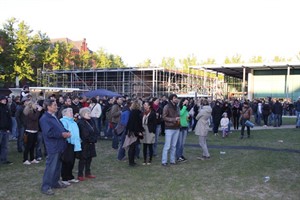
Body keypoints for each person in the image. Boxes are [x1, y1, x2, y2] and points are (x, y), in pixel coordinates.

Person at [39, 99, 71, 196]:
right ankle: (46, 187)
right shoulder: (44, 119)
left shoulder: (54, 117)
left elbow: (60, 127)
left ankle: (55, 182)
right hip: (53, 146)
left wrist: (66, 132)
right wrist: (62, 134)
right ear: (48, 107)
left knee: (57, 166)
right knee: (51, 166)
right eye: (54, 105)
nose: (56, 106)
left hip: (60, 144)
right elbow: (48, 133)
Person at [60, 108, 81, 185]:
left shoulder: (73, 122)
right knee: (66, 161)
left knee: (72, 161)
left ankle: (70, 177)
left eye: (72, 111)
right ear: (65, 113)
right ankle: (64, 178)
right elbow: (64, 132)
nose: (72, 113)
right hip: (68, 144)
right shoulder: (63, 121)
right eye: (70, 111)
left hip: (75, 144)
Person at [77, 107, 97, 181]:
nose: (89, 114)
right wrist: (91, 139)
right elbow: (84, 134)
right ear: (83, 114)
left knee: (89, 158)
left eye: (89, 113)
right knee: (83, 159)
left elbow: (95, 130)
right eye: (87, 113)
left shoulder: (91, 121)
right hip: (84, 143)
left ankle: (88, 173)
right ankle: (80, 174)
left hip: (91, 143)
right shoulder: (80, 122)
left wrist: (94, 139)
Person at [161, 94, 180, 166]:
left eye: (176, 98)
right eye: (175, 98)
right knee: (167, 145)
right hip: (169, 128)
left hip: (176, 127)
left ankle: (172, 160)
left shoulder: (177, 107)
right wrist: (173, 119)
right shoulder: (167, 107)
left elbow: (178, 115)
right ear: (171, 99)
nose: (176, 99)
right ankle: (164, 161)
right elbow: (164, 117)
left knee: (173, 145)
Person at [123, 100, 143, 167]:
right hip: (133, 132)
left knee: (132, 147)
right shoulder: (136, 113)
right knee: (132, 147)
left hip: (131, 131)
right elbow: (136, 124)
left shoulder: (133, 112)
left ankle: (132, 161)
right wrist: (138, 132)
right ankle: (131, 162)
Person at [22, 101, 42, 165]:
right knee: (28, 146)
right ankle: (25, 159)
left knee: (33, 146)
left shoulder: (34, 111)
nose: (36, 105)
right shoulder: (29, 112)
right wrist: (38, 111)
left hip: (34, 130)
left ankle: (32, 158)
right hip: (29, 131)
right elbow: (34, 118)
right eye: (35, 104)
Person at [140, 101, 156, 165]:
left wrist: (153, 131)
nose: (144, 106)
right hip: (144, 130)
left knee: (150, 145)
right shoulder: (142, 113)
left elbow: (155, 123)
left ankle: (150, 159)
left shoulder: (152, 113)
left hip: (150, 130)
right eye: (144, 105)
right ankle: (144, 159)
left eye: (146, 105)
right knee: (144, 145)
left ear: (149, 106)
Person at [0, 95, 13, 165]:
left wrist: (9, 128)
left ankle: (4, 159)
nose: (5, 100)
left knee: (5, 146)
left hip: (6, 130)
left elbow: (9, 119)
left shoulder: (7, 108)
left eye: (5, 99)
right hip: (1, 130)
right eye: (3, 99)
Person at [176, 98, 189, 163]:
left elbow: (186, 118)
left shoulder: (186, 109)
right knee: (179, 143)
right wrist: (184, 106)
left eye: (187, 102)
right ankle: (178, 156)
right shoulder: (179, 108)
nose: (187, 103)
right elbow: (180, 114)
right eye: (185, 102)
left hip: (185, 126)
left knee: (182, 143)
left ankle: (181, 155)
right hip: (180, 127)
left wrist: (188, 118)